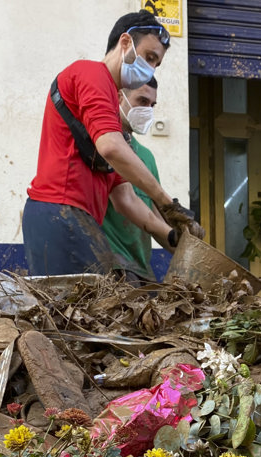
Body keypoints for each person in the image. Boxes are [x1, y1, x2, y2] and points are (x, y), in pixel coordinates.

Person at [23, 10, 201, 277]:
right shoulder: (91, 74)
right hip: (59, 211)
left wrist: (174, 237)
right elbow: (111, 148)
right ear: (126, 43)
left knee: (87, 315)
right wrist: (167, 204)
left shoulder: (111, 110)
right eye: (149, 57)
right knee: (74, 316)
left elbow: (125, 199)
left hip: (79, 219)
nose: (150, 69)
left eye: (157, 64)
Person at [100, 78, 166, 281]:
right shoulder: (104, 147)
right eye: (142, 101)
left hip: (142, 268)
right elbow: (124, 201)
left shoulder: (146, 158)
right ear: (120, 97)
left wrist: (189, 245)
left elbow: (155, 213)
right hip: (111, 268)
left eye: (152, 105)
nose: (148, 110)